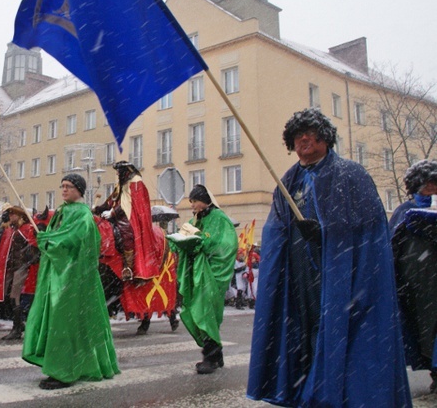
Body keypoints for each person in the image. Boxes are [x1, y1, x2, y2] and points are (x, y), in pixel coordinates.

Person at [247, 108, 411, 406]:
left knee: (336, 330)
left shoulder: (350, 175)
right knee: (306, 330)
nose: (304, 139)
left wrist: (325, 234)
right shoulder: (290, 179)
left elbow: (368, 232)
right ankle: (310, 388)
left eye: (310, 133)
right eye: (297, 135)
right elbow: (276, 229)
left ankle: (337, 393)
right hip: (299, 273)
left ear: (326, 137)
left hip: (341, 273)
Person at [23, 174, 119, 390]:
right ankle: (62, 365)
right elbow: (58, 236)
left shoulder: (83, 214)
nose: (64, 190)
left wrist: (48, 241)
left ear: (79, 190)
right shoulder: (63, 211)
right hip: (59, 274)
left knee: (64, 321)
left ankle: (64, 370)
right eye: (62, 186)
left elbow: (73, 239)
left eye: (68, 186)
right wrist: (47, 238)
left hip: (73, 277)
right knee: (59, 319)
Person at [167, 184, 237, 374]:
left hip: (211, 275)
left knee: (206, 312)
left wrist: (200, 243)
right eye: (191, 202)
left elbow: (224, 245)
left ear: (205, 200)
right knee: (201, 311)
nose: (192, 205)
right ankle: (216, 354)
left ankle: (211, 357)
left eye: (195, 201)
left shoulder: (219, 218)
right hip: (198, 275)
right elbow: (188, 238)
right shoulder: (195, 220)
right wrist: (178, 242)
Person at [390, 160, 437, 393]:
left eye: (434, 183)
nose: (432, 188)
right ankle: (433, 370)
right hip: (416, 286)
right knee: (422, 332)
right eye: (427, 184)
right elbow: (391, 245)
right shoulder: (404, 211)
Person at [93, 161, 161, 283]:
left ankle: (128, 267)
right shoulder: (121, 183)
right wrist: (99, 209)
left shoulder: (135, 181)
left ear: (125, 171)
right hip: (118, 214)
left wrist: (113, 212)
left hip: (129, 216)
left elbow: (129, 203)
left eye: (119, 171)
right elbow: (112, 199)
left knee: (126, 232)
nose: (117, 173)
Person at [0, 204, 39, 340]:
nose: (10, 217)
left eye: (13, 214)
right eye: (9, 214)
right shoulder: (12, 229)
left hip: (22, 267)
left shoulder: (26, 229)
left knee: (15, 297)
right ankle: (18, 324)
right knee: (10, 296)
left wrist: (27, 260)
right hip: (11, 267)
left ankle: (17, 328)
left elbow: (33, 247)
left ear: (20, 216)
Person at [389, 159, 437, 234]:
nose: (430, 186)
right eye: (425, 182)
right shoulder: (405, 209)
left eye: (433, 182)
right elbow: (392, 238)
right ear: (416, 185)